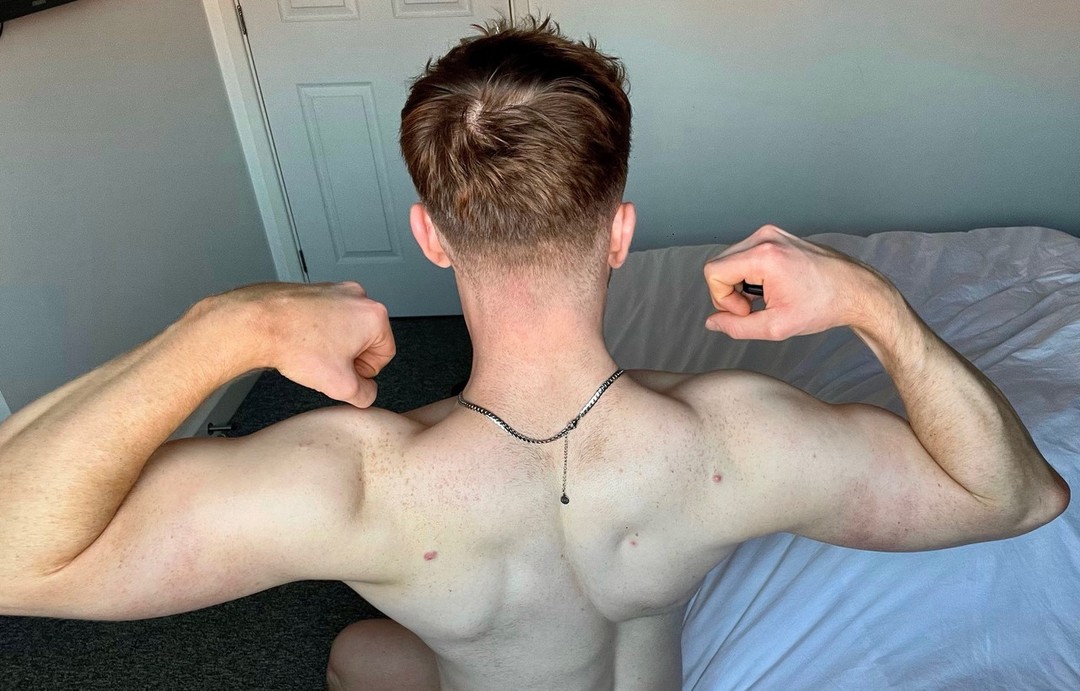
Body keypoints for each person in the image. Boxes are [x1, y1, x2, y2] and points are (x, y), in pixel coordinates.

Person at [0, 17, 1068, 691]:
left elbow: (17, 556)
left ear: (432, 237)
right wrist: (871, 302)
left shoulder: (356, 484)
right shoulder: (738, 440)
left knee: (353, 655)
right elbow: (1017, 497)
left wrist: (225, 329)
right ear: (620, 234)